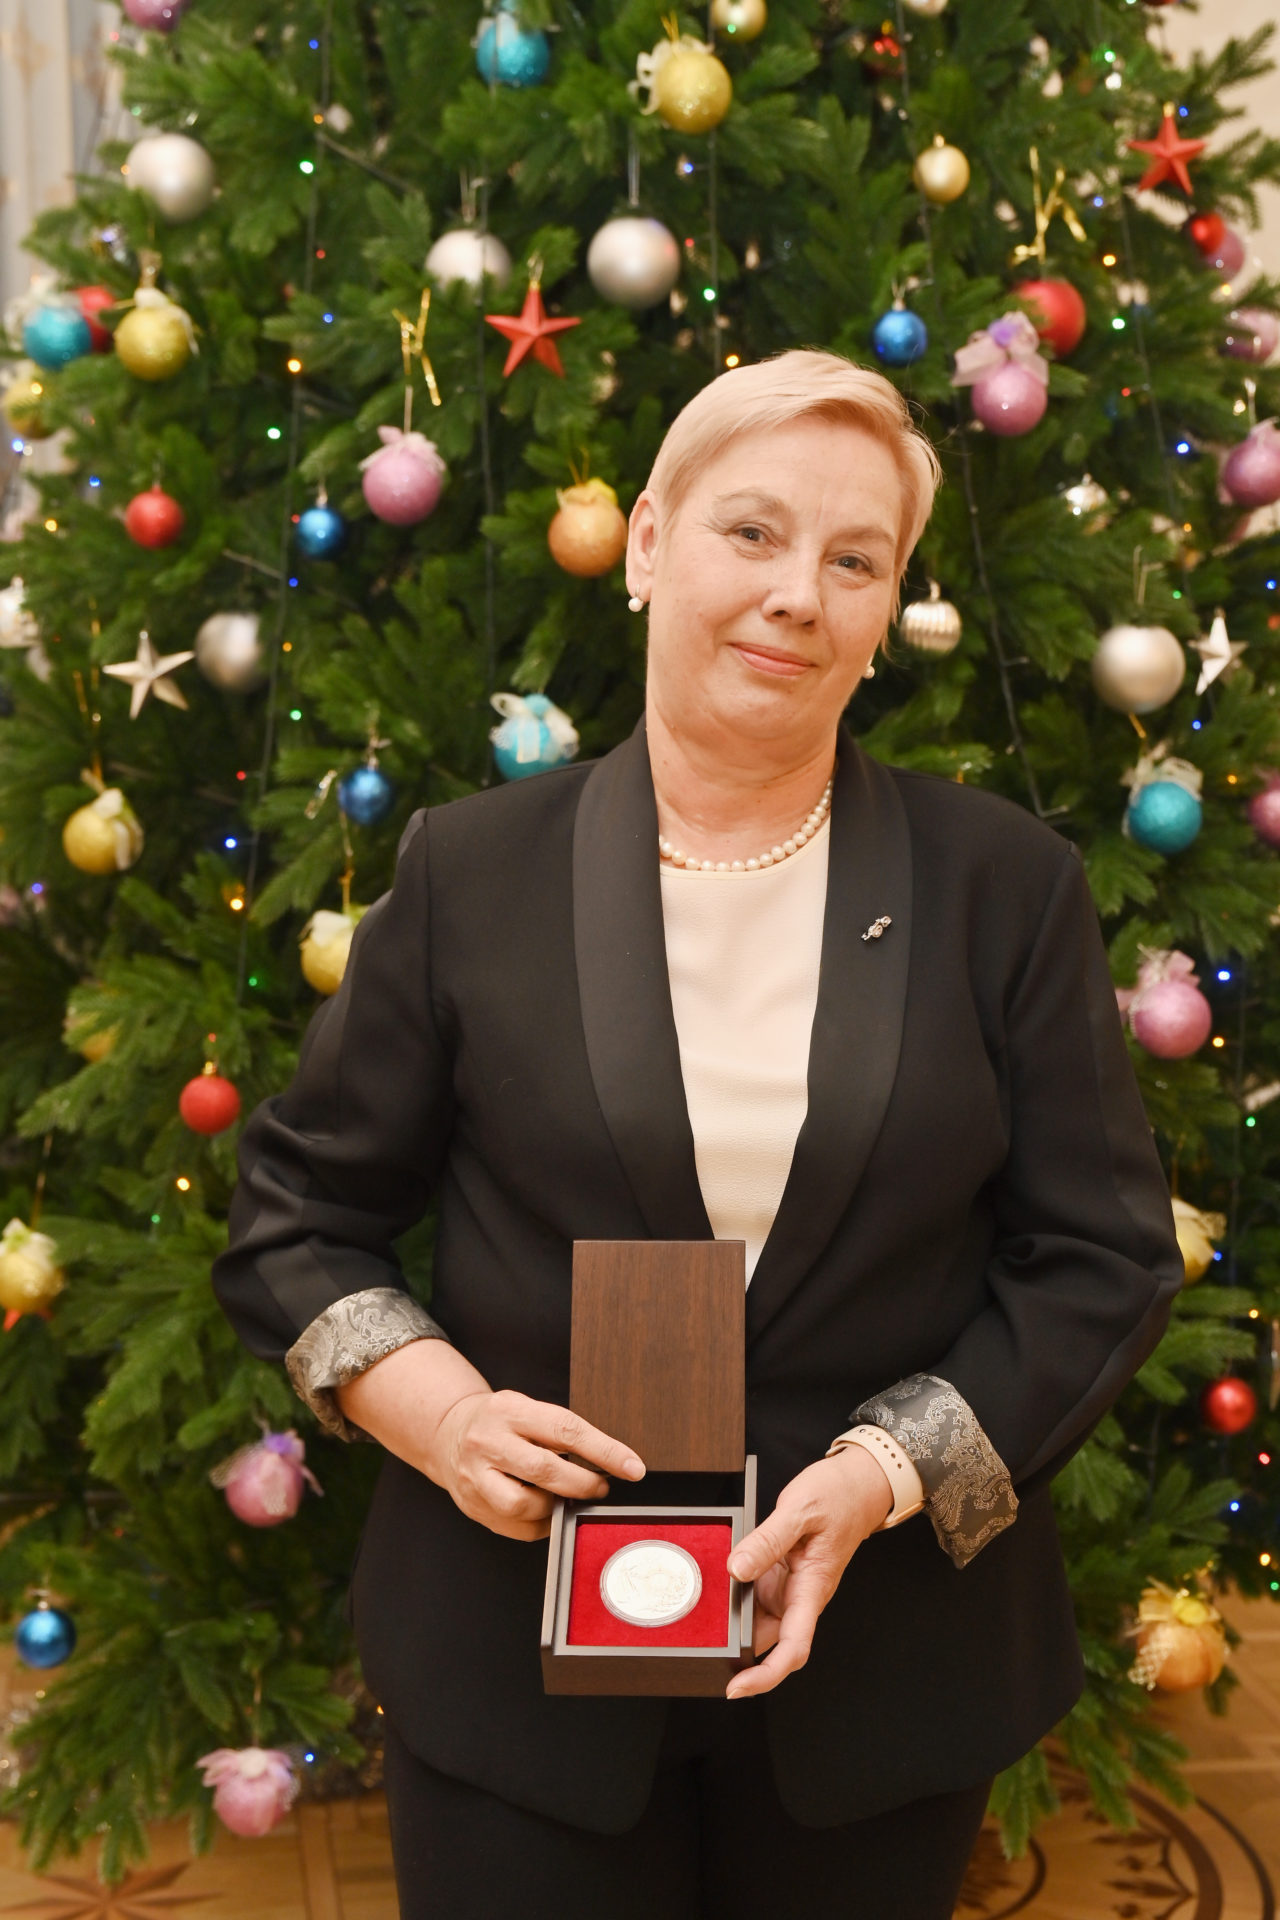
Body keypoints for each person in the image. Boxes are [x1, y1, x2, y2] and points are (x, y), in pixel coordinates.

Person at [212, 348, 1182, 1919]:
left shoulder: (1005, 888)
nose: (799, 594)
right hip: (516, 1658)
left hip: (880, 1665)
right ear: (650, 546)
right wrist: (444, 1421)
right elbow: (297, 1219)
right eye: (753, 532)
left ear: (887, 609)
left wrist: (886, 1474)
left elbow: (1103, 1257)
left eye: (854, 560)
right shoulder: (471, 873)